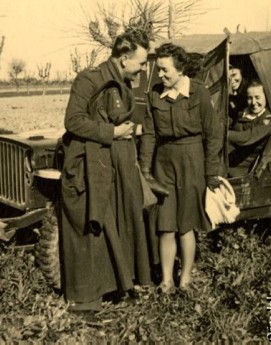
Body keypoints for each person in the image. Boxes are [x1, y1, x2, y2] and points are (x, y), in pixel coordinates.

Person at [61, 30, 153, 312]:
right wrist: (111, 132)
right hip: (89, 167)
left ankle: (117, 286)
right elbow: (73, 121)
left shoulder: (123, 81)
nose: (143, 68)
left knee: (118, 225)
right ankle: (86, 300)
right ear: (124, 59)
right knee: (92, 229)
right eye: (141, 62)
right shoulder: (89, 79)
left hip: (112, 166)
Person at [139, 43, 222, 293]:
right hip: (164, 164)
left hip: (192, 161)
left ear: (180, 69)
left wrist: (210, 172)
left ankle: (185, 279)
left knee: (185, 225)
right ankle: (166, 280)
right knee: (165, 225)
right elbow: (150, 135)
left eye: (165, 70)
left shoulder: (198, 92)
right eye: (158, 70)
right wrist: (146, 171)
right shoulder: (154, 94)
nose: (160, 75)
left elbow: (213, 134)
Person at [228, 79, 271, 169]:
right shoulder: (243, 113)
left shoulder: (268, 120)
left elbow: (247, 137)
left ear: (266, 97)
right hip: (229, 158)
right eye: (250, 98)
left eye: (257, 97)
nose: (253, 103)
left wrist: (224, 134)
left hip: (242, 167)